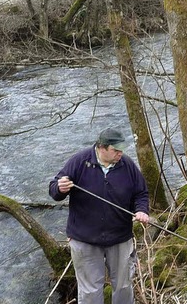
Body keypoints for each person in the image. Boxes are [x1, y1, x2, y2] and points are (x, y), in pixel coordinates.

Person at [49, 127, 150, 304]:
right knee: (90, 292)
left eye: (121, 149)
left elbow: (141, 193)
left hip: (120, 237)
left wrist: (141, 210)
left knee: (123, 286)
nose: (120, 153)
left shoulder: (127, 165)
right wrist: (60, 188)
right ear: (101, 148)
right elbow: (54, 190)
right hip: (84, 240)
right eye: (115, 150)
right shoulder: (79, 162)